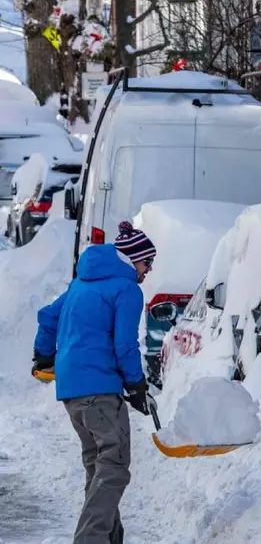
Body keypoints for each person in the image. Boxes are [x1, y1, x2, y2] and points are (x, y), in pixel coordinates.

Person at [31, 221, 156, 544]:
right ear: (132, 260)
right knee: (114, 465)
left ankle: (110, 539)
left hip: (72, 390)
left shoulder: (82, 283)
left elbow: (48, 316)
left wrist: (43, 356)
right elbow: (124, 344)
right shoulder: (127, 289)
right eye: (147, 262)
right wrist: (137, 385)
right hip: (99, 389)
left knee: (98, 465)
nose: (149, 270)